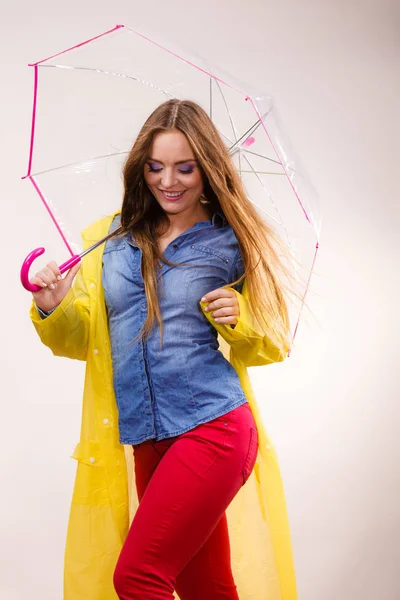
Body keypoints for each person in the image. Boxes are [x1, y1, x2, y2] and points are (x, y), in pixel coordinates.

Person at [29, 99, 298, 599]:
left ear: (208, 169)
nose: (168, 181)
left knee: (137, 576)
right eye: (155, 167)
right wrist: (54, 304)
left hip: (213, 428)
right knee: (205, 586)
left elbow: (274, 336)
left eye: (185, 167)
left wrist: (241, 319)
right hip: (147, 438)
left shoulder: (230, 242)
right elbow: (82, 339)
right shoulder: (110, 240)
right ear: (140, 169)